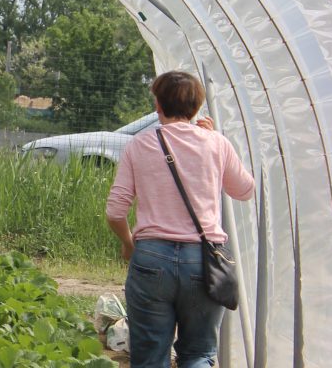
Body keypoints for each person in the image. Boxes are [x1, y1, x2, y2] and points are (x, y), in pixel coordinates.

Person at [106, 71, 255, 368]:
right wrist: (213, 142)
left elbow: (115, 211)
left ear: (158, 105)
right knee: (198, 354)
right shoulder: (216, 143)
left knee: (150, 356)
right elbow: (245, 190)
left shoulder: (139, 144)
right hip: (204, 259)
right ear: (196, 108)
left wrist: (128, 243)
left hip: (151, 257)